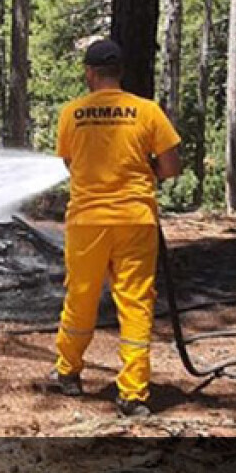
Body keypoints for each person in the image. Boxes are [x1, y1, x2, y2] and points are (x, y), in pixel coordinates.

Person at [50, 38, 181, 417]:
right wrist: (144, 173)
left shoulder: (71, 113)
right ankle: (134, 394)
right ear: (120, 73)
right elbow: (171, 167)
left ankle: (69, 373)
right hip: (135, 220)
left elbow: (70, 164)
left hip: (87, 222)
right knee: (136, 301)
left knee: (81, 297)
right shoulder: (147, 111)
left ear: (89, 73)